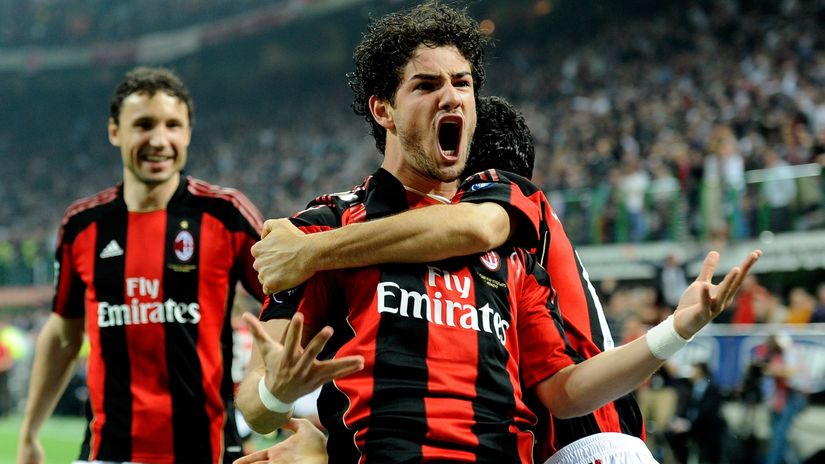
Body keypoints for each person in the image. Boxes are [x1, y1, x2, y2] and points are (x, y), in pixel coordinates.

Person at [235, 3, 760, 463]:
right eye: (426, 84)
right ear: (383, 109)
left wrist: (676, 329)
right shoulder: (327, 223)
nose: (452, 97)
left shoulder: (504, 247)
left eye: (462, 83)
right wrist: (277, 396)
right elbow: (253, 406)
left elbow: (563, 391)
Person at [252, 94, 652, 463]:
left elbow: (470, 227)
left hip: (582, 441)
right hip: (590, 432)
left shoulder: (501, 195)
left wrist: (312, 251)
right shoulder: (517, 243)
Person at [17, 67, 266, 464]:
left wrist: (270, 389)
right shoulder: (82, 225)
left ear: (187, 133)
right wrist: (29, 431)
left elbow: (288, 300)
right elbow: (63, 335)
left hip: (208, 451)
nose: (159, 140)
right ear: (115, 131)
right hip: (106, 452)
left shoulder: (225, 214)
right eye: (144, 125)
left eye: (173, 125)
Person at [663, 362, 727, 463]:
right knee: (670, 434)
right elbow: (686, 408)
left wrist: (689, 424)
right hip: (691, 425)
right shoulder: (689, 387)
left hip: (705, 427)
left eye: (693, 369)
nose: (690, 372)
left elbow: (707, 412)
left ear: (700, 371)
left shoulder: (712, 389)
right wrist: (678, 420)